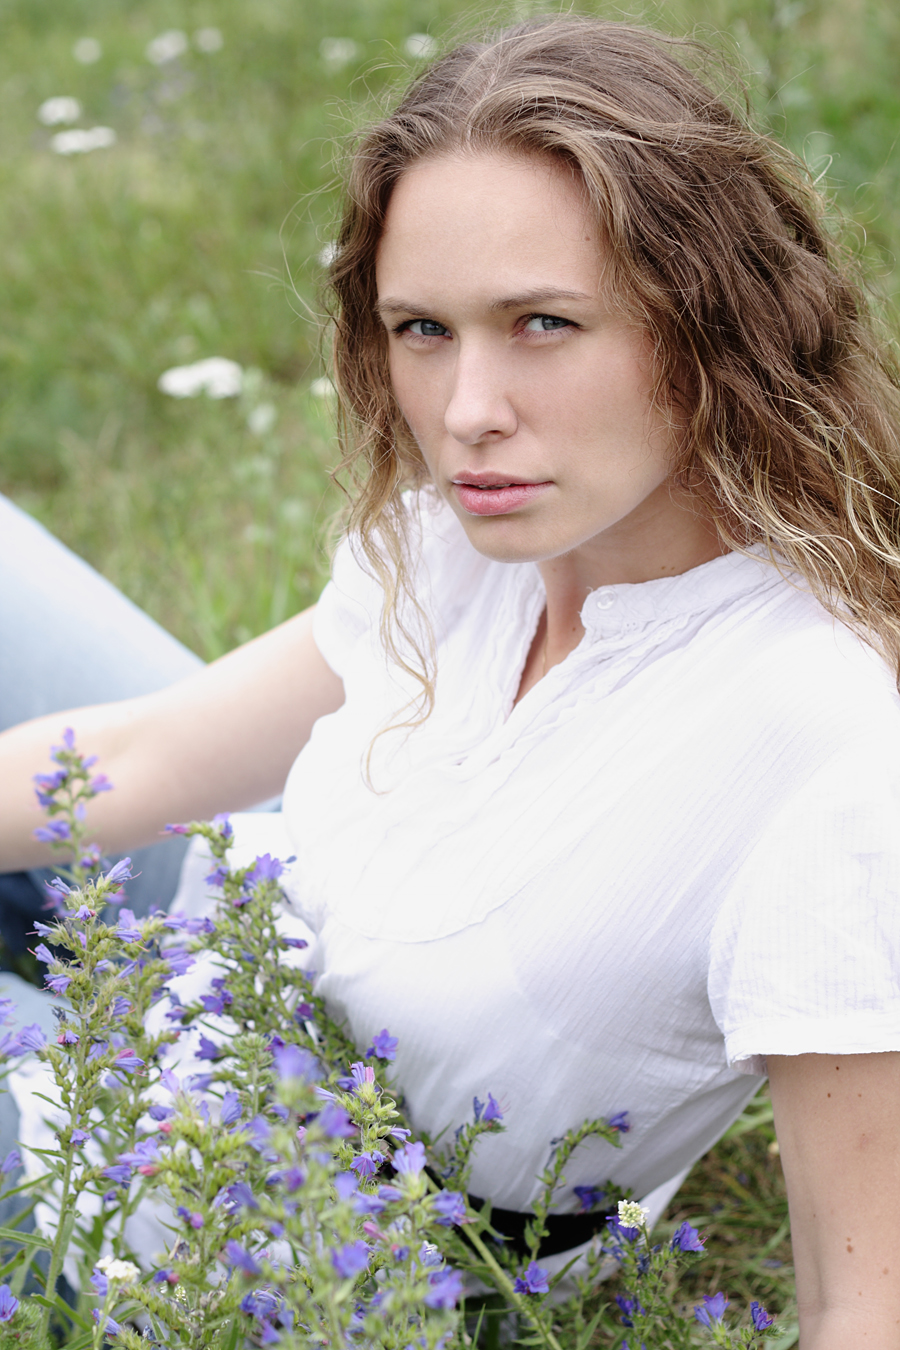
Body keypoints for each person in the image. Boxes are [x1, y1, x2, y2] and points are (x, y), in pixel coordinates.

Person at [1, 16, 900, 1343]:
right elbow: (141, 762)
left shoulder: (824, 744)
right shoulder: (475, 542)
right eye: (423, 328)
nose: (467, 409)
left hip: (245, 1221)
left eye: (543, 323)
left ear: (712, 323)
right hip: (241, 935)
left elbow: (866, 1295)